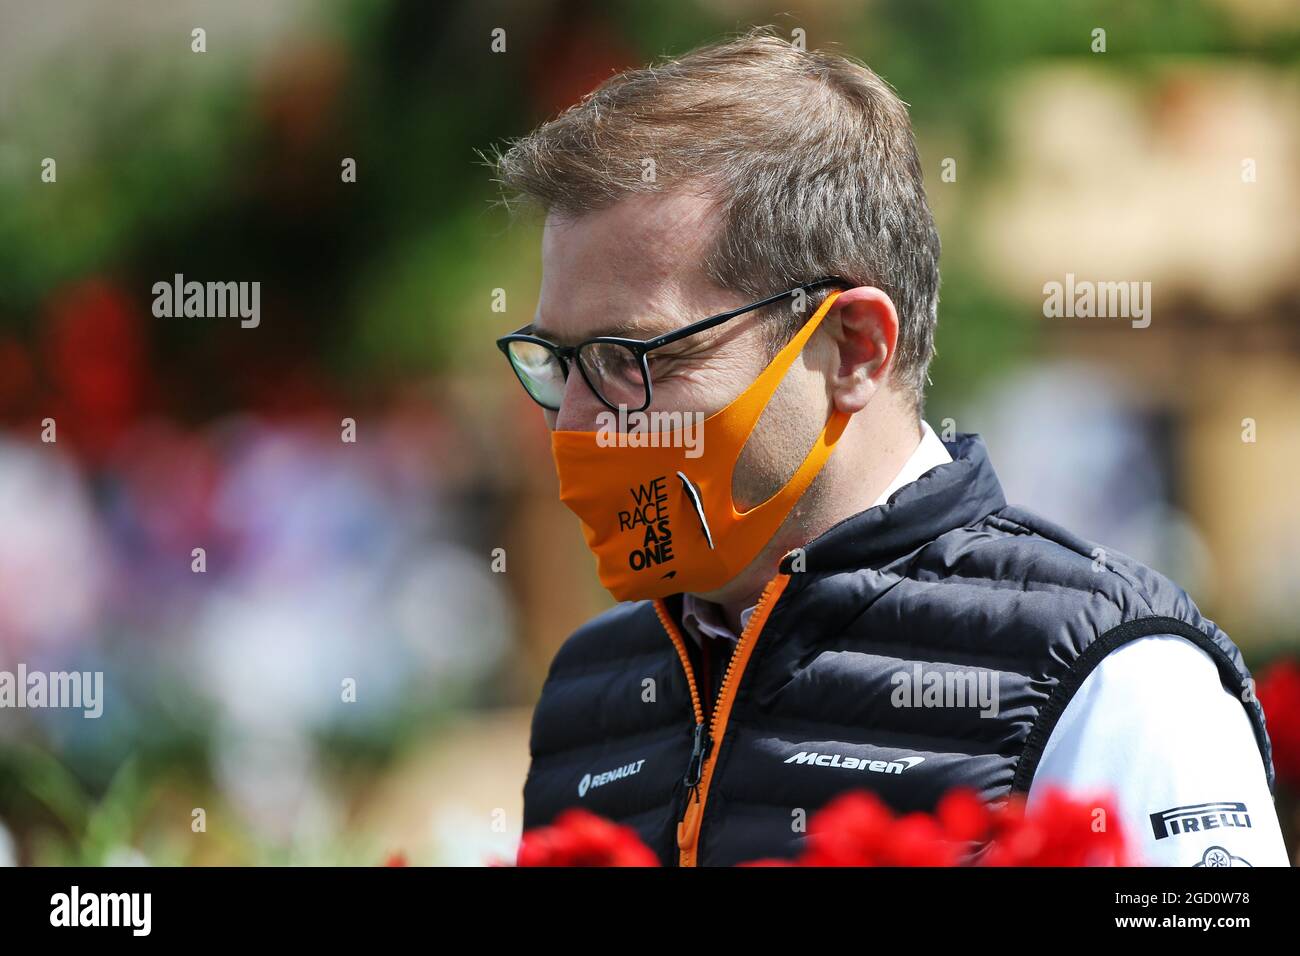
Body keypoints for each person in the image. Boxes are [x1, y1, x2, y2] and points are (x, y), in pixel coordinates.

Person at [489, 27, 1287, 867]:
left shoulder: (1113, 678)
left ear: (854, 347)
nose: (576, 420)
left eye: (634, 358)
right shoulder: (589, 689)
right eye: (560, 362)